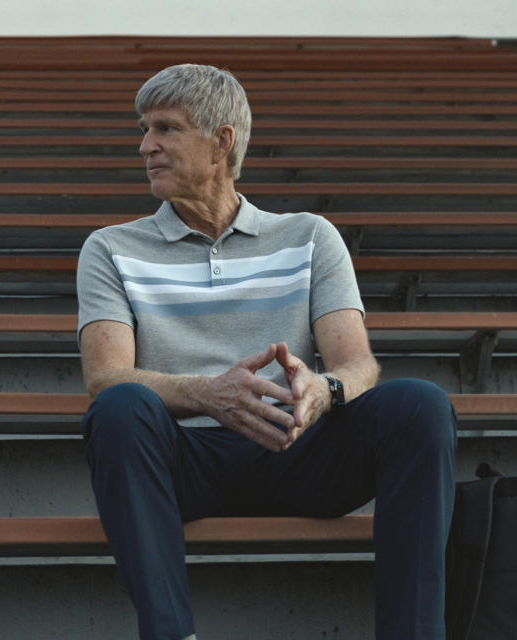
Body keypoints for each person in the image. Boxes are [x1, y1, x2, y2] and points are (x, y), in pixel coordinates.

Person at [77, 63, 457, 640]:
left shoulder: (309, 235)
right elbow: (105, 378)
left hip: (298, 446)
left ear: (221, 142)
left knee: (421, 405)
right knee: (119, 409)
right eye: (143, 129)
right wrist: (209, 394)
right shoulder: (110, 248)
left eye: (166, 129)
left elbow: (359, 365)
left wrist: (323, 391)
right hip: (184, 462)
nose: (145, 146)